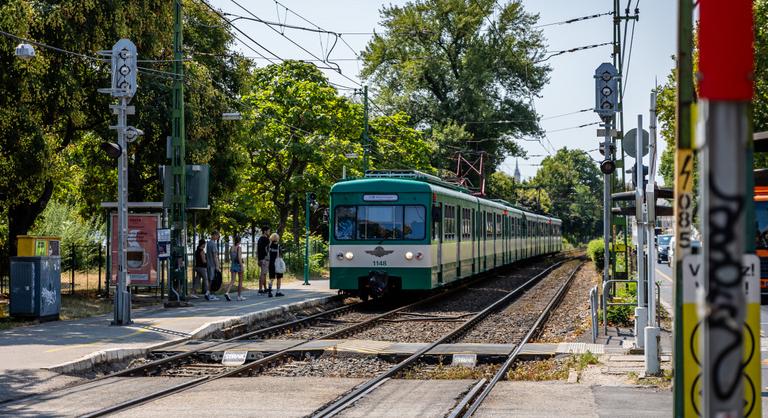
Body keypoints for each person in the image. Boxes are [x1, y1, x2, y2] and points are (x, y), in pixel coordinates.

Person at [224, 236, 245, 301]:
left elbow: (231, 257)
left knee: (232, 280)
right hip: (238, 265)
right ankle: (239, 296)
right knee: (240, 281)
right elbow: (239, 257)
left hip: (233, 264)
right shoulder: (239, 248)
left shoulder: (231, 248)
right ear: (239, 241)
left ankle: (227, 292)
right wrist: (241, 266)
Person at [267, 233, 284, 297]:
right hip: (277, 263)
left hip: (271, 263)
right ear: (277, 239)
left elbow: (267, 255)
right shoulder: (278, 246)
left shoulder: (269, 246)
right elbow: (279, 255)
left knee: (271, 278)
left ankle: (269, 291)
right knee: (279, 278)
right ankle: (278, 291)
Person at [206, 230, 221, 301]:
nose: (218, 237)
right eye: (218, 235)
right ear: (214, 235)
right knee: (213, 280)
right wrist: (217, 266)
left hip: (209, 264)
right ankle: (210, 294)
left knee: (210, 279)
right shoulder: (213, 244)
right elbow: (215, 256)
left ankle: (208, 292)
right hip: (213, 265)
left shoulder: (208, 243)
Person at [256, 227, 271, 294]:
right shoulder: (266, 239)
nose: (269, 232)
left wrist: (259, 259)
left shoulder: (260, 239)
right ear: (265, 231)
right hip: (265, 258)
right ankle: (260, 289)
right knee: (263, 274)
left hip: (261, 258)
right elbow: (267, 249)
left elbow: (258, 250)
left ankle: (265, 288)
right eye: (268, 231)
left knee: (264, 274)